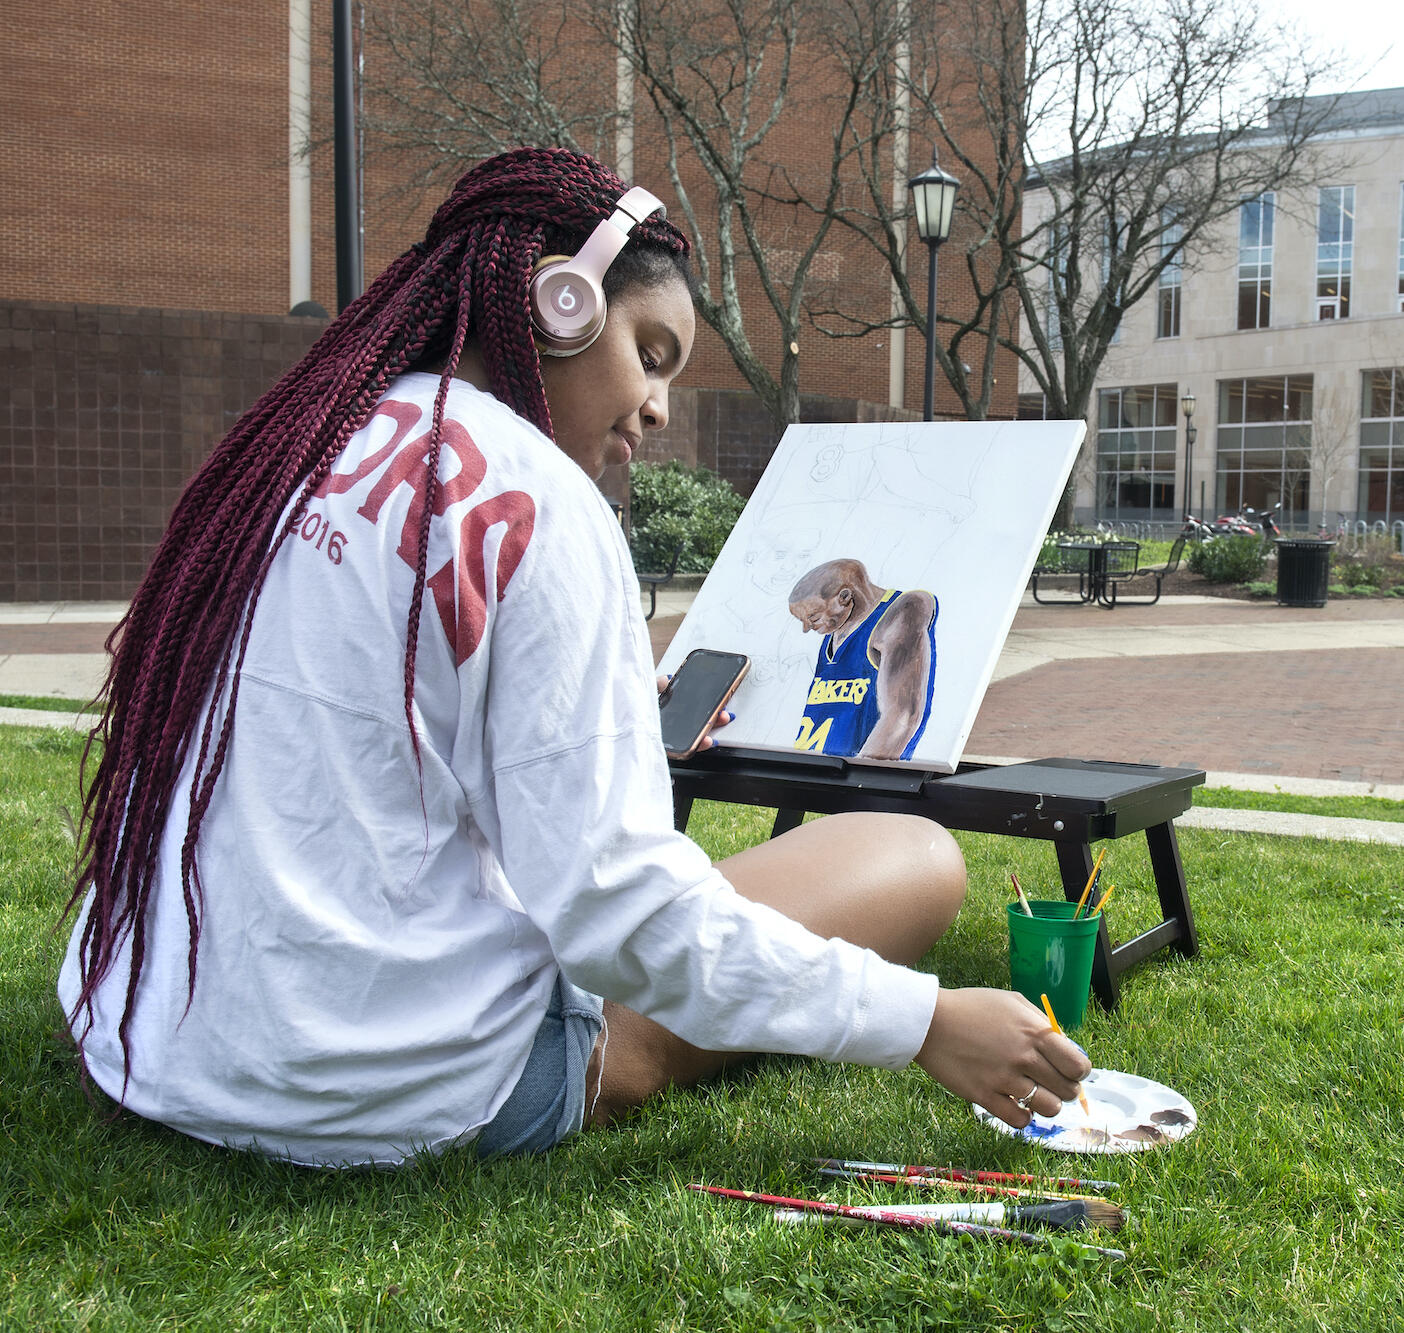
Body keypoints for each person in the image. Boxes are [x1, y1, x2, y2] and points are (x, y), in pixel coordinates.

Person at [58, 147, 1088, 1168]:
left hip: (153, 1040)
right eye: (651, 354)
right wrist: (924, 1018)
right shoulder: (542, 500)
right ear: (559, 302)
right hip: (397, 1091)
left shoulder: (294, 442)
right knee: (910, 856)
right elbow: (620, 915)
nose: (658, 409)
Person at [789, 558, 937, 761]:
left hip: (850, 779)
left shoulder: (902, 610)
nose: (807, 628)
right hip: (813, 773)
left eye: (813, 617)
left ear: (845, 596)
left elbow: (902, 716)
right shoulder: (837, 630)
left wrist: (857, 779)